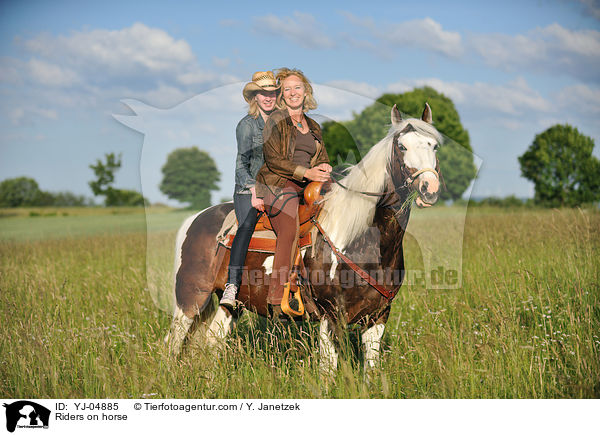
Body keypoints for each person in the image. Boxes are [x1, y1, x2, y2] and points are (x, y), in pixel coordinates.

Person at [255, 68, 331, 319]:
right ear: (281, 96)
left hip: (307, 185)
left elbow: (321, 157)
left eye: (297, 87)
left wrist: (324, 167)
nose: (292, 93)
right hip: (278, 183)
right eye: (286, 89)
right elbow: (273, 159)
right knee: (289, 228)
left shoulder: (314, 125)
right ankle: (278, 297)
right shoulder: (275, 121)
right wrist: (307, 173)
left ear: (306, 91)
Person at [220, 71, 280, 308]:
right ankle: (232, 285)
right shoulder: (246, 125)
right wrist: (254, 189)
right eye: (263, 93)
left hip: (275, 188)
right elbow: (240, 164)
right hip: (248, 189)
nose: (268, 98)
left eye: (272, 93)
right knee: (246, 226)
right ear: (255, 97)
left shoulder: (280, 123)